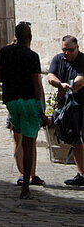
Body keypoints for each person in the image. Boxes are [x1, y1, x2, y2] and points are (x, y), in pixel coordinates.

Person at [0, 22, 47, 199]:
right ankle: (26, 186)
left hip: (12, 101)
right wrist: (42, 111)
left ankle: (22, 177)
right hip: (30, 102)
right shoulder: (32, 56)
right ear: (30, 37)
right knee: (29, 142)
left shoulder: (4, 52)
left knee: (18, 137)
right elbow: (37, 85)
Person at [48, 34, 84, 187]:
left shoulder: (83, 60)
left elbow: (79, 83)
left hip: (82, 105)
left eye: (70, 50)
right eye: (64, 50)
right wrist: (59, 85)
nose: (67, 53)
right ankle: (82, 173)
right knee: (74, 138)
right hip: (67, 108)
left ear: (77, 48)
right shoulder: (58, 59)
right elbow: (50, 76)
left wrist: (66, 86)